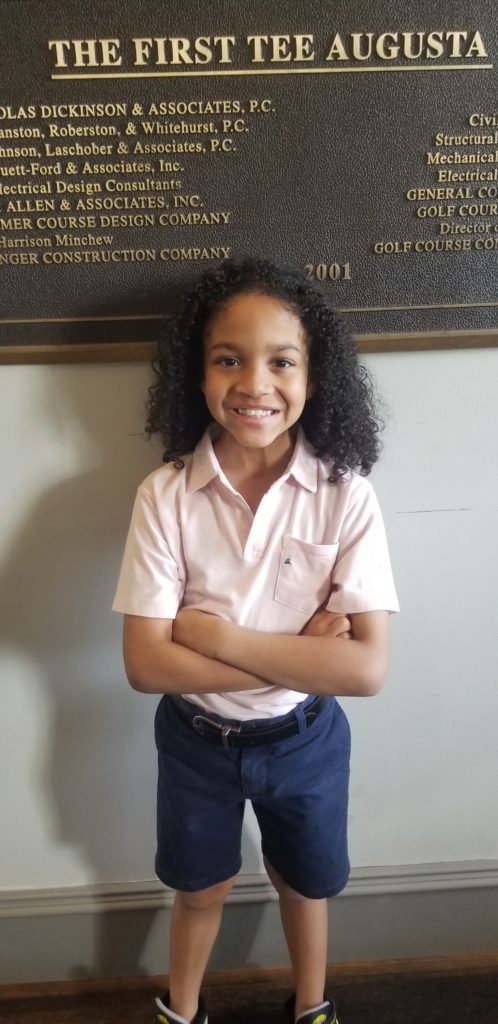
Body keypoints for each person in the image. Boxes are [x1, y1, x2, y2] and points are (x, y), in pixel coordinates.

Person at [113, 258, 399, 1024]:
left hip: (306, 740)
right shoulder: (165, 495)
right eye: (228, 359)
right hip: (194, 742)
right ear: (197, 372)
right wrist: (304, 653)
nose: (254, 384)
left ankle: (312, 1007)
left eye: (281, 361)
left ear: (315, 374)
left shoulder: (346, 496)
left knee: (304, 885)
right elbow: (145, 663)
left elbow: (366, 669)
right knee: (199, 886)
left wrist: (210, 636)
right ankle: (182, 1009)